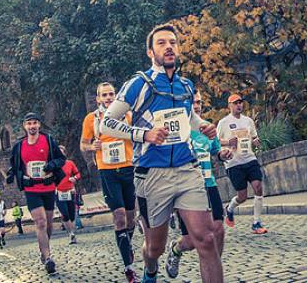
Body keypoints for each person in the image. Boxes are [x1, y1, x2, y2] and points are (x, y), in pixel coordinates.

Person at [100, 24, 223, 283]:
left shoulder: (186, 86)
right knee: (154, 248)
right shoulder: (139, 84)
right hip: (152, 174)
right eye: (161, 43)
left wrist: (203, 126)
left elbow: (187, 117)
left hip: (186, 169)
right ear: (150, 51)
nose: (168, 47)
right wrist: (144, 135)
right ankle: (151, 269)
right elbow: (106, 123)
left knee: (207, 238)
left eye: (173, 43)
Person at [166, 97, 233, 278]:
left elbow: (216, 151)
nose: (197, 106)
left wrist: (223, 154)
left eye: (199, 103)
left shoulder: (207, 128)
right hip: (189, 188)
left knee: (218, 231)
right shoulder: (178, 131)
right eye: (193, 103)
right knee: (191, 241)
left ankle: (212, 270)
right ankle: (176, 248)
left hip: (209, 184)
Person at [82, 81, 139, 283]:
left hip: (128, 167)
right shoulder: (92, 119)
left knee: (131, 217)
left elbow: (138, 136)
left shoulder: (128, 115)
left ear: (116, 96)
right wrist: (92, 146)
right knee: (120, 216)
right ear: (97, 99)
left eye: (111, 94)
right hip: (107, 171)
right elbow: (83, 144)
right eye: (103, 95)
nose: (108, 98)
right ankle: (129, 267)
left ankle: (126, 244)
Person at [8, 112, 66, 275]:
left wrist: (51, 165)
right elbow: (14, 164)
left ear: (39, 125)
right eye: (29, 123)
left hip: (48, 187)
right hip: (31, 189)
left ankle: (43, 250)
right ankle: (48, 258)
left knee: (48, 224)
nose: (32, 126)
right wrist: (12, 175)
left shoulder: (48, 140)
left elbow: (61, 159)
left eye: (34, 123)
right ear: (24, 126)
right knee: (40, 222)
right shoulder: (19, 146)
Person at [217, 94, 267, 234]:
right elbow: (215, 142)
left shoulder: (248, 121)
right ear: (230, 105)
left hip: (249, 159)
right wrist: (228, 143)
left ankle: (256, 223)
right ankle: (230, 209)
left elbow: (254, 136)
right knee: (242, 196)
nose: (239, 105)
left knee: (258, 187)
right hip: (233, 163)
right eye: (235, 103)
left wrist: (256, 141)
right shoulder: (224, 122)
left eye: (240, 102)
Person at [54, 145, 81, 244]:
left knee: (72, 214)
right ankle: (71, 233)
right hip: (59, 192)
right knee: (64, 214)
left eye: (62, 152)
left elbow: (78, 174)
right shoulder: (54, 165)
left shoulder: (70, 163)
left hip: (70, 191)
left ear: (65, 153)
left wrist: (75, 178)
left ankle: (72, 233)